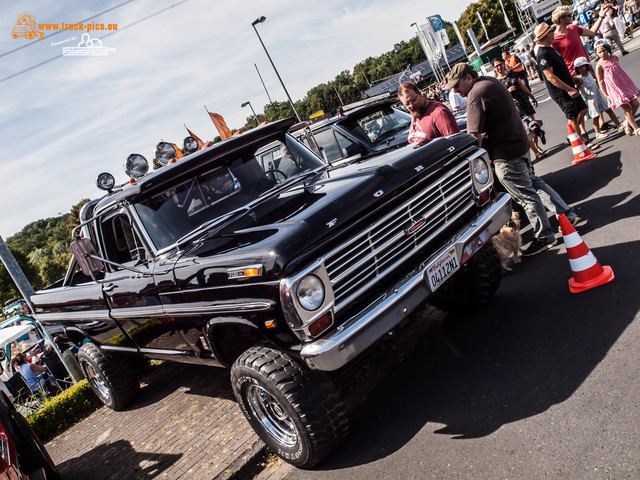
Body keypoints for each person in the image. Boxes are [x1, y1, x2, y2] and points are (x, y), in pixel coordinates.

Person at [445, 62, 583, 256]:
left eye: (457, 85)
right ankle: (568, 215)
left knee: (526, 195)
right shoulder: (489, 82)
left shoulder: (476, 94)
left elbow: (473, 135)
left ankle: (544, 236)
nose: (456, 91)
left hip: (505, 153)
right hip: (519, 143)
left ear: (468, 78)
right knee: (533, 185)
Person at [535, 22, 598, 148]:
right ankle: (581, 144)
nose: (554, 33)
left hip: (569, 86)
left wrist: (573, 79)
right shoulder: (543, 54)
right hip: (561, 92)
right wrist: (568, 88)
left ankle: (572, 135)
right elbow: (550, 76)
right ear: (547, 35)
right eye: (552, 31)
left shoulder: (550, 49)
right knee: (573, 117)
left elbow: (560, 70)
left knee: (583, 110)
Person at [492, 57, 546, 159]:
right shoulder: (496, 83)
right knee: (524, 130)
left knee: (533, 126)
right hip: (513, 108)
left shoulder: (512, 74)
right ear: (494, 68)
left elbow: (523, 86)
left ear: (504, 64)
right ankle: (536, 152)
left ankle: (537, 146)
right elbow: (498, 98)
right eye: (497, 66)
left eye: (500, 64)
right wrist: (508, 91)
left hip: (523, 102)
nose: (499, 67)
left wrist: (531, 96)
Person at [595, 38, 640, 135]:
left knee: (635, 104)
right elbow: (600, 81)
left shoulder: (614, 57)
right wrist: (606, 95)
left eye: (604, 50)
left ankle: (626, 123)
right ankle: (636, 128)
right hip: (614, 89)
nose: (602, 53)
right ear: (596, 53)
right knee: (627, 109)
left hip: (625, 84)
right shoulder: (599, 65)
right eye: (599, 52)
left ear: (608, 49)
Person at [573, 56, 623, 139]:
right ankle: (597, 133)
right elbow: (577, 90)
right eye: (580, 67)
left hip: (598, 96)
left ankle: (618, 125)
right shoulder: (578, 79)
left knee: (609, 110)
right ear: (577, 69)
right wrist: (577, 85)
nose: (582, 69)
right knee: (596, 116)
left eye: (583, 66)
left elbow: (596, 81)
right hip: (591, 100)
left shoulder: (590, 73)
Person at [397, 82, 460, 147]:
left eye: (413, 100)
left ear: (419, 93)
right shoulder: (416, 113)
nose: (411, 106)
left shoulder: (439, 112)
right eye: (407, 104)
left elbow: (455, 142)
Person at [552, 5, 605, 74]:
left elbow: (592, 32)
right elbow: (555, 61)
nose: (571, 17)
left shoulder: (573, 28)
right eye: (569, 15)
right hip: (574, 73)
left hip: (587, 68)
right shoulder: (554, 39)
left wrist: (601, 16)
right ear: (562, 19)